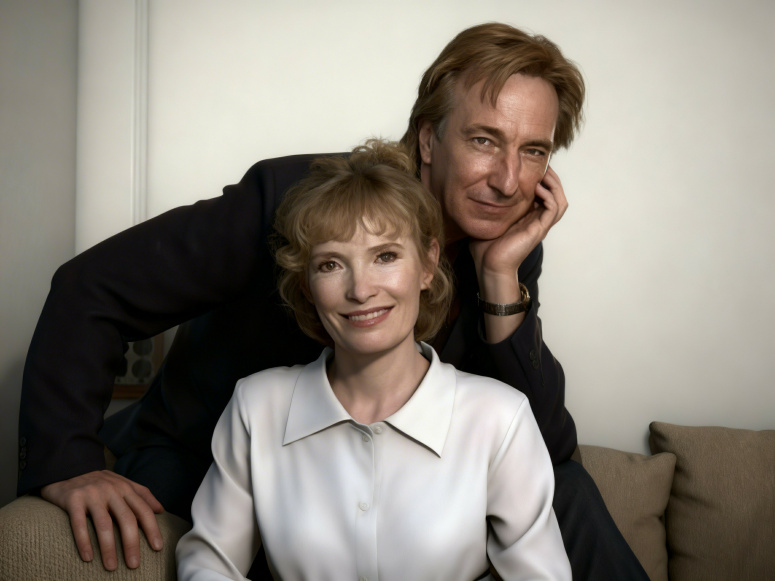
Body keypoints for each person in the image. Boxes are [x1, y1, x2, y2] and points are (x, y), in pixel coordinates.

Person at [18, 22, 648, 579]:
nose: (509, 181)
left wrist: (502, 275)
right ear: (429, 140)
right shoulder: (293, 199)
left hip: (387, 479)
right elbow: (90, 287)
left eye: (534, 151)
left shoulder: (503, 244)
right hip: (219, 465)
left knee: (567, 491)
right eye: (484, 140)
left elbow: (546, 451)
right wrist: (67, 458)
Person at [175, 140, 571, 580]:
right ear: (306, 285)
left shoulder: (500, 418)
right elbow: (207, 563)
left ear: (428, 264)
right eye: (330, 264)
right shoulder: (257, 406)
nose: (360, 290)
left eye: (385, 256)